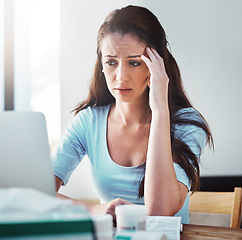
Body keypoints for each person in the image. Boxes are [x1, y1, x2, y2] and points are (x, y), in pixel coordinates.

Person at [53, 5, 213, 224]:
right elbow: (39, 194)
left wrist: (159, 110)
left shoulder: (187, 124)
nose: (120, 77)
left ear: (155, 66)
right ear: (101, 64)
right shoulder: (88, 122)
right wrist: (94, 209)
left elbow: (160, 209)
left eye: (134, 62)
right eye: (111, 62)